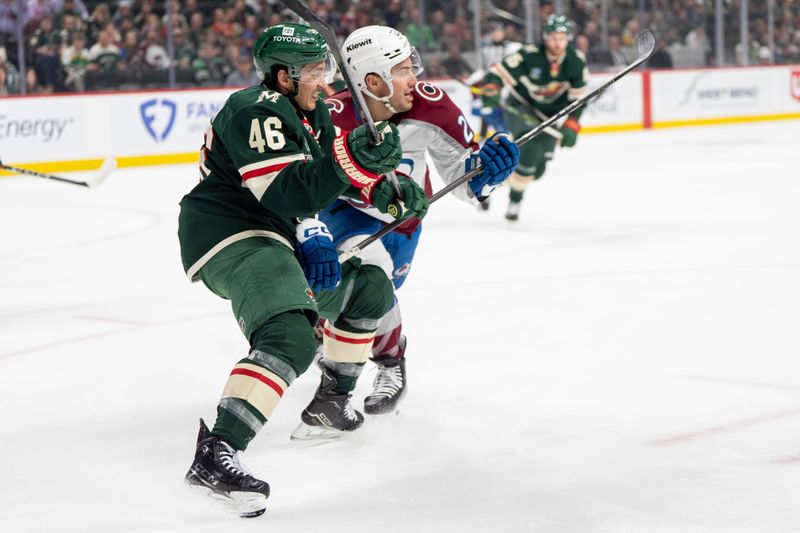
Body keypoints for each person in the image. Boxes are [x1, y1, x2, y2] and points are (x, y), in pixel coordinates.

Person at [178, 22, 428, 517]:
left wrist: (385, 192)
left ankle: (331, 402)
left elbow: (324, 180)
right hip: (232, 234)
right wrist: (352, 164)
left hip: (279, 231)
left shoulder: (312, 113)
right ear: (283, 77)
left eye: (326, 68)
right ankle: (216, 453)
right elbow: (287, 192)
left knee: (369, 288)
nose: (326, 81)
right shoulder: (256, 108)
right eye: (314, 71)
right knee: (290, 333)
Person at [290, 25, 519, 435]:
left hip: (406, 220)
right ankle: (372, 369)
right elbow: (301, 187)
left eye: (412, 64)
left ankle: (380, 359)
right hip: (347, 214)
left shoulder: (433, 106)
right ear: (372, 81)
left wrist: (487, 174)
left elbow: (464, 177)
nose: (415, 76)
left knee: (377, 297)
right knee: (363, 277)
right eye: (401, 69)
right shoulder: (332, 118)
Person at [478, 14, 588, 221]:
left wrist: (572, 122)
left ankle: (489, 182)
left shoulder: (576, 62)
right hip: (520, 107)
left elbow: (579, 99)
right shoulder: (529, 55)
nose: (558, 43)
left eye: (562, 38)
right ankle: (515, 201)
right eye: (554, 37)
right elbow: (498, 73)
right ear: (546, 37)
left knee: (536, 170)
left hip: (549, 117)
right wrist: (492, 88)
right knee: (530, 148)